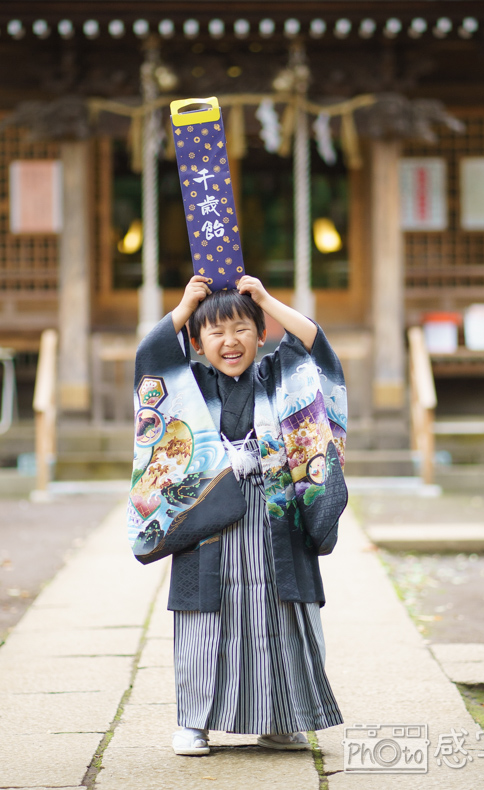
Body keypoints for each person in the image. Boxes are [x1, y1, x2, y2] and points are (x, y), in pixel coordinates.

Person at [127, 274, 348, 756]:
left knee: (279, 615)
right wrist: (185, 306)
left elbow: (316, 349)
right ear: (198, 344)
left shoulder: (278, 375)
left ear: (261, 333)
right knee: (204, 623)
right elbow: (151, 360)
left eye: (243, 329)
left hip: (273, 516)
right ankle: (193, 722)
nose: (230, 341)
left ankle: (281, 718)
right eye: (216, 332)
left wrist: (266, 299)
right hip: (209, 514)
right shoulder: (190, 383)